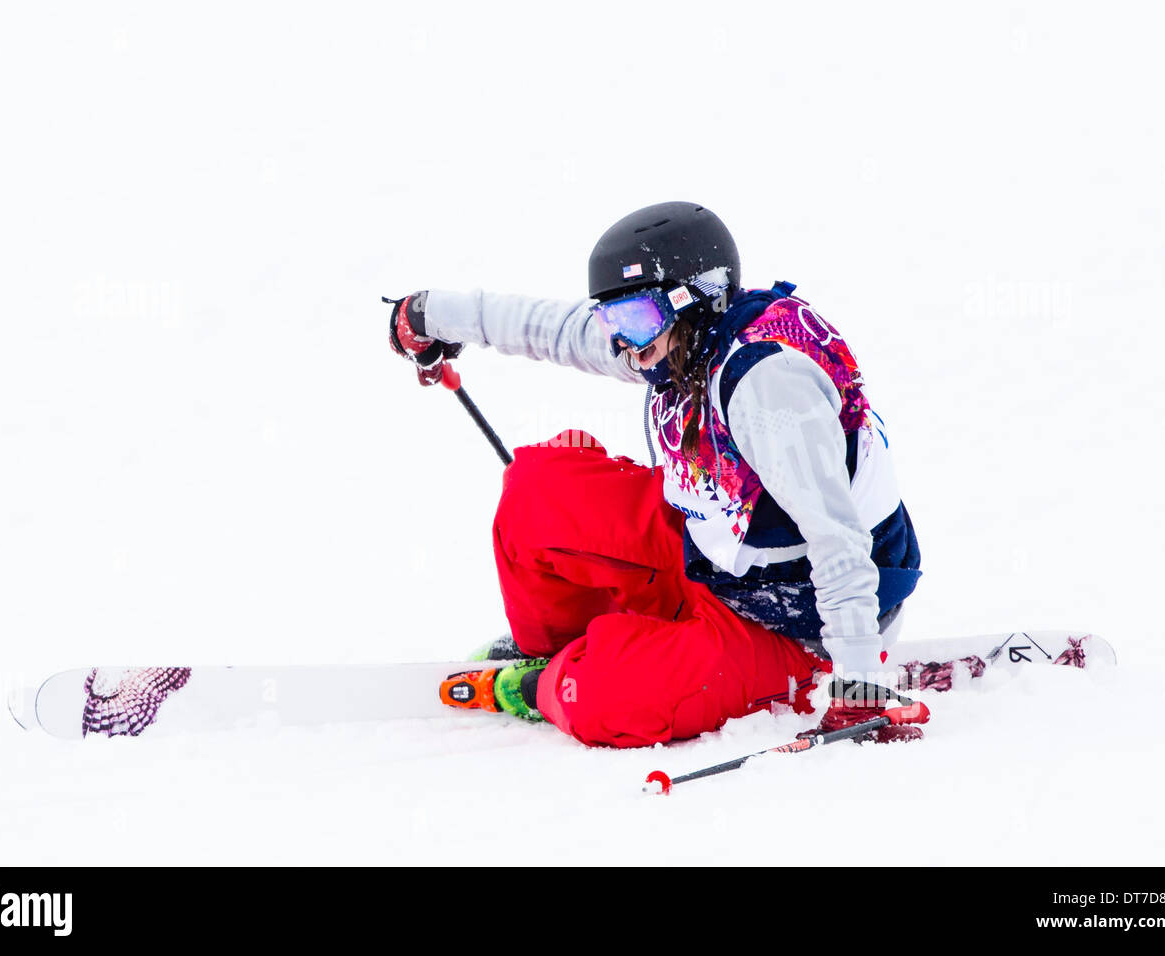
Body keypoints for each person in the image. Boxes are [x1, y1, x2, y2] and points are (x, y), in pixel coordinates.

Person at [387, 202, 927, 747]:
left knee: (604, 698)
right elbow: (556, 329)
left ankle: (561, 681)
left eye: (635, 320)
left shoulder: (768, 385)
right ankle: (562, 649)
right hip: (715, 553)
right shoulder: (675, 344)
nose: (621, 341)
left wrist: (860, 685)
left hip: (799, 619)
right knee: (535, 492)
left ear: (693, 299)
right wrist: (433, 314)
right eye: (612, 319)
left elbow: (839, 539)